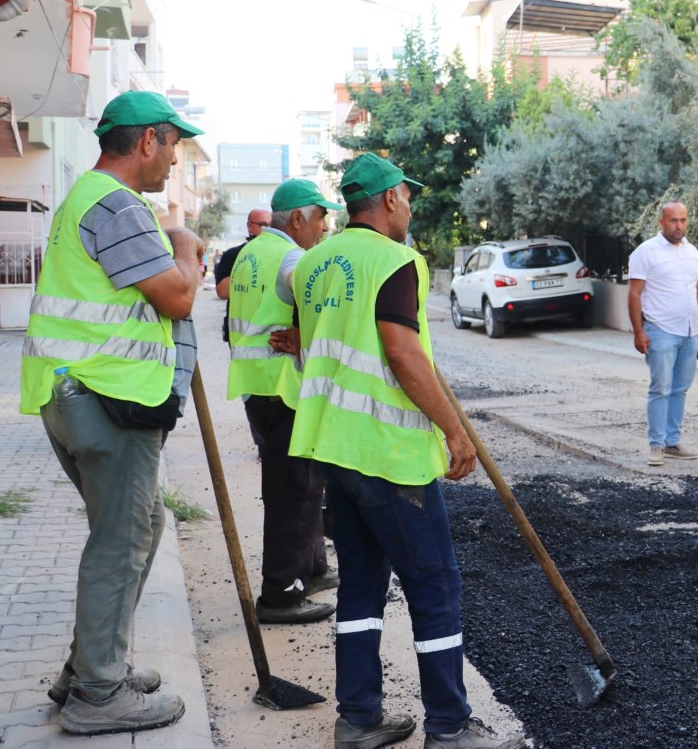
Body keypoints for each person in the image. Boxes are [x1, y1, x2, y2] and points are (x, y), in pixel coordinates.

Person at [287, 153, 522, 749]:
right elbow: (402, 352)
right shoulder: (396, 261)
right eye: (407, 198)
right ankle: (448, 726)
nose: (411, 207)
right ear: (390, 199)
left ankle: (358, 718)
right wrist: (455, 431)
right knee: (435, 585)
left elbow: (312, 348)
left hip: (334, 449)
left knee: (361, 588)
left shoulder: (313, 263)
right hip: (388, 453)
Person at [21, 90, 205, 735]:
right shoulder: (117, 205)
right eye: (173, 144)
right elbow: (178, 297)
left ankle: (90, 668)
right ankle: (99, 696)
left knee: (142, 525)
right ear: (147, 140)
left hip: (82, 393)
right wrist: (185, 242)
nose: (175, 159)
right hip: (104, 395)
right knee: (120, 540)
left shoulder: (93, 201)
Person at [227, 179, 344, 624]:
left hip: (257, 386)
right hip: (284, 389)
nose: (325, 226)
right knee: (291, 493)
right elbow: (326, 308)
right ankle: (281, 593)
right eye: (320, 217)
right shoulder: (293, 257)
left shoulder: (251, 253)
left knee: (298, 486)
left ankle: (310, 568)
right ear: (297, 218)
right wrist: (308, 336)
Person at [628, 200, 698, 467]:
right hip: (660, 330)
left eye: (683, 220)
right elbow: (634, 293)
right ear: (661, 222)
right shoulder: (645, 252)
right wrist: (638, 332)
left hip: (689, 332)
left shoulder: (693, 252)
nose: (679, 226)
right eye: (673, 221)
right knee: (660, 388)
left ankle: (673, 441)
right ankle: (656, 445)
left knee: (680, 389)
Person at [215, 208, 272, 340]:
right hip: (240, 332)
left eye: (269, 226)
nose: (266, 230)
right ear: (249, 226)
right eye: (262, 225)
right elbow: (222, 292)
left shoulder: (277, 254)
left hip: (269, 327)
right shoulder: (232, 255)